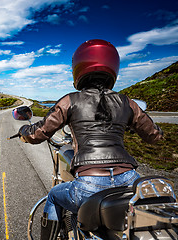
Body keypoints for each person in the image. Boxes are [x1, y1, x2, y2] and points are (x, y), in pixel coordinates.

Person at [18, 39, 164, 240]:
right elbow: (155, 136)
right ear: (113, 66)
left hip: (90, 183)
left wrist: (24, 130)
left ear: (79, 67)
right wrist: (138, 127)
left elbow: (39, 133)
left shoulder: (70, 100)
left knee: (53, 196)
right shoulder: (126, 102)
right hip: (129, 179)